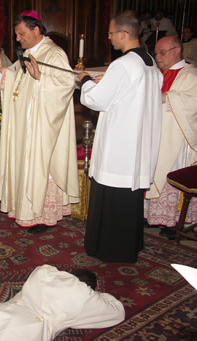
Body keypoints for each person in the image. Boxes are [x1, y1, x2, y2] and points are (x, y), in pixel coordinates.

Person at [77, 11, 162, 263]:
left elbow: (96, 99)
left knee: (113, 197)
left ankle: (110, 249)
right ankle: (130, 245)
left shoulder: (123, 64)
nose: (110, 37)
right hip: (138, 142)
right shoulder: (148, 61)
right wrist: (105, 82)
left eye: (112, 33)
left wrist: (85, 82)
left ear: (124, 34)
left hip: (120, 145)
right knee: (128, 198)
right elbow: (128, 92)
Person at [0, 10, 79, 233]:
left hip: (42, 125)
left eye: (21, 34)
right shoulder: (29, 52)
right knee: (26, 165)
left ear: (36, 29)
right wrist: (2, 70)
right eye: (16, 35)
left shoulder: (54, 53)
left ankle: (42, 215)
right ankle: (28, 210)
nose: (18, 39)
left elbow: (67, 84)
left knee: (40, 166)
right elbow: (18, 81)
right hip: (26, 123)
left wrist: (41, 79)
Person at [0, 265, 125, 340]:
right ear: (92, 288)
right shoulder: (85, 297)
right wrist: (98, 293)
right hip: (29, 329)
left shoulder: (45, 272)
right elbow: (117, 311)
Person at [144, 36, 197, 239]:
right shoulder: (157, 74)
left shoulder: (190, 75)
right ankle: (153, 216)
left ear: (177, 51)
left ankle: (173, 220)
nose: (158, 57)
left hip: (178, 140)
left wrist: (169, 97)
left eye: (162, 53)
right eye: (156, 53)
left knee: (170, 171)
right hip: (156, 134)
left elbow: (193, 104)